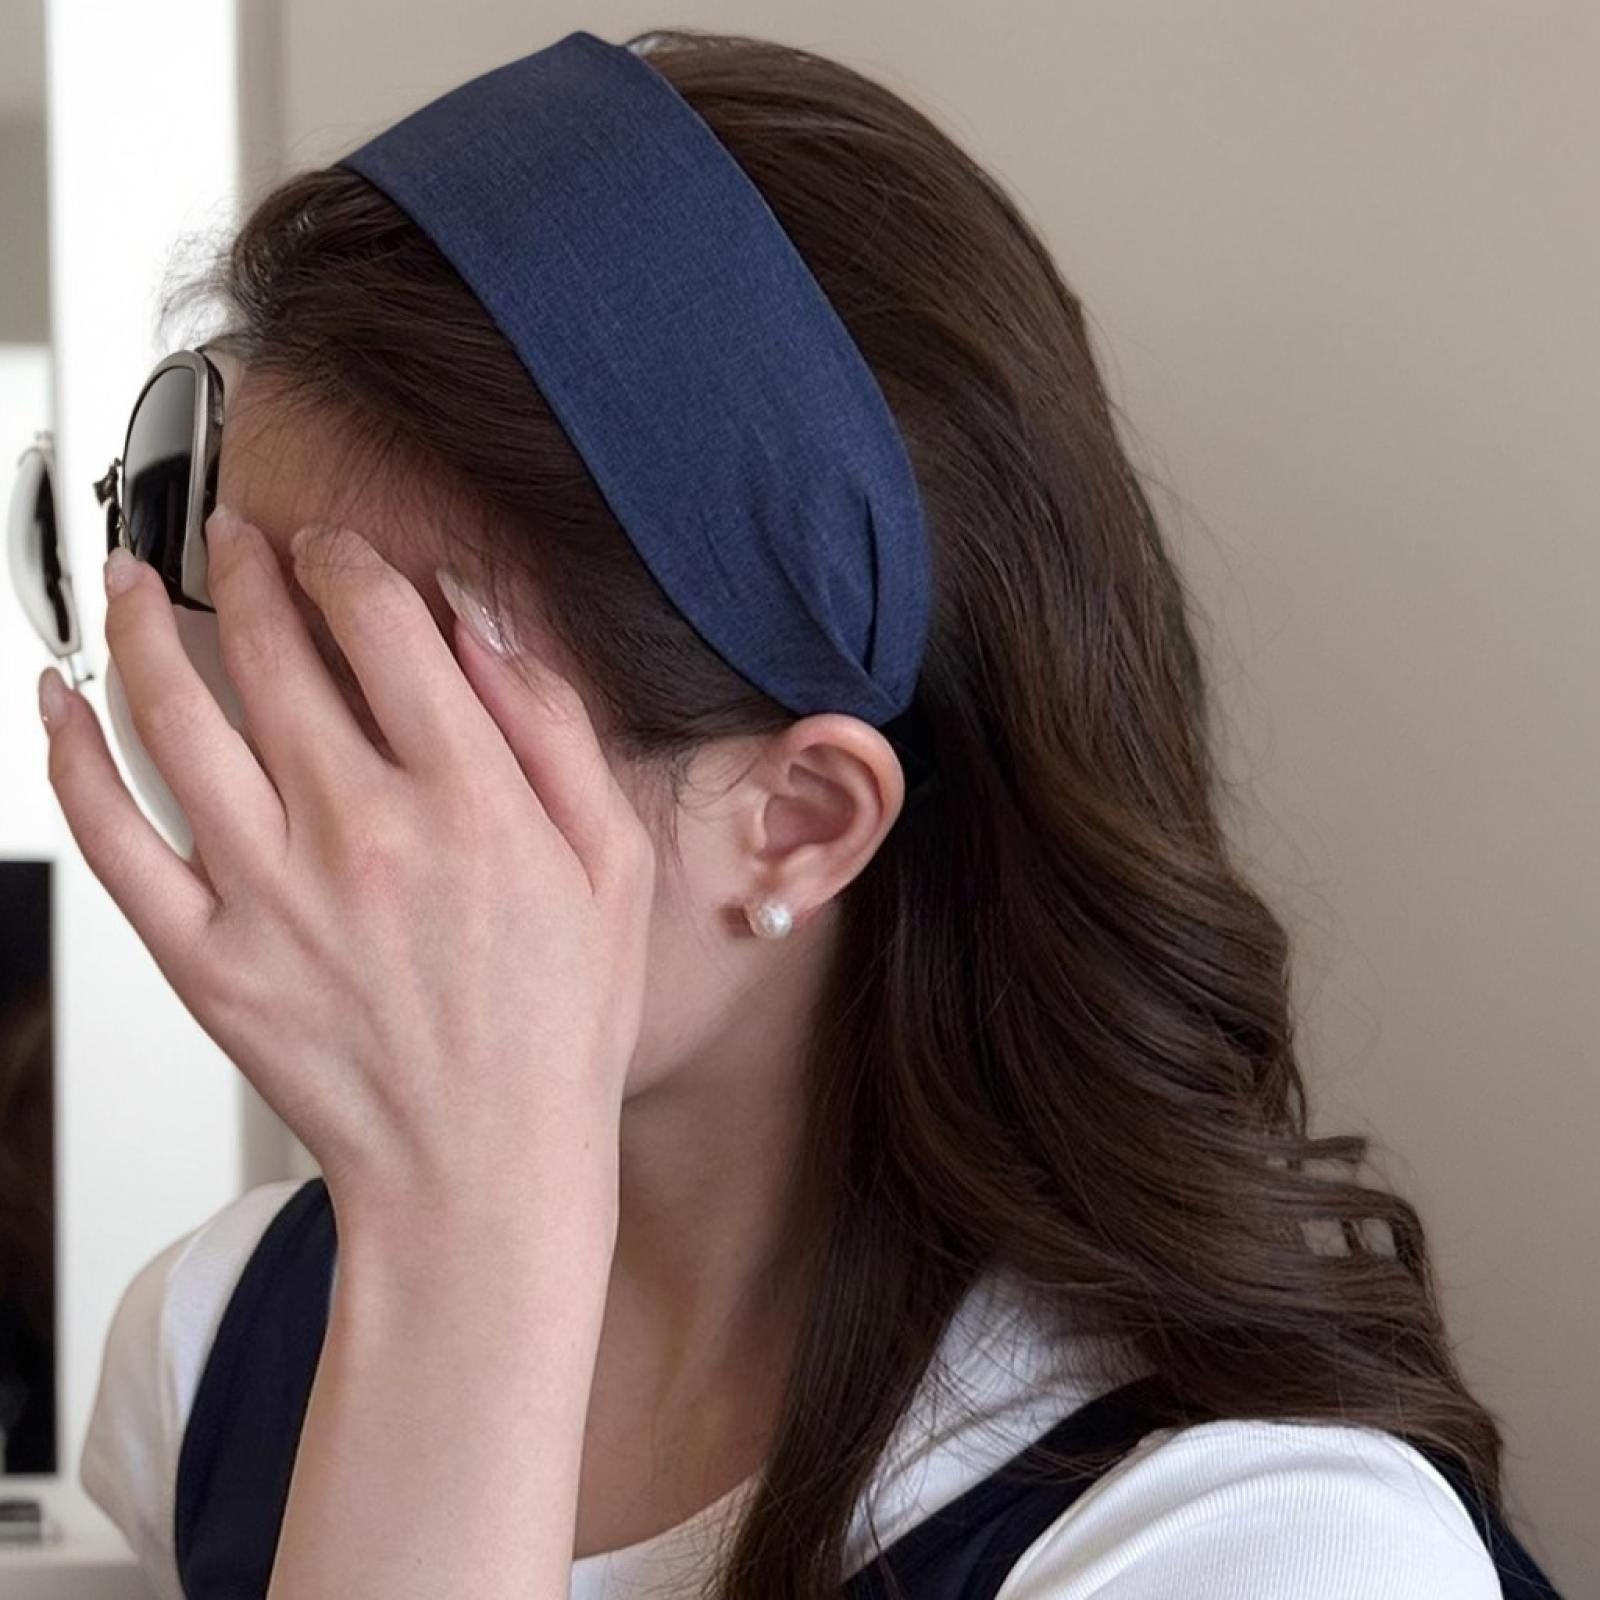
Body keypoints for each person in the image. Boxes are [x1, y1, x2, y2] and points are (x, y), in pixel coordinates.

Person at [38, 25, 1559, 1600]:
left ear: (801, 821)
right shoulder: (214, 1347)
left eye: (367, 701)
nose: (229, 774)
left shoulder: (1268, 1543)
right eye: (222, 630)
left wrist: (461, 1247)